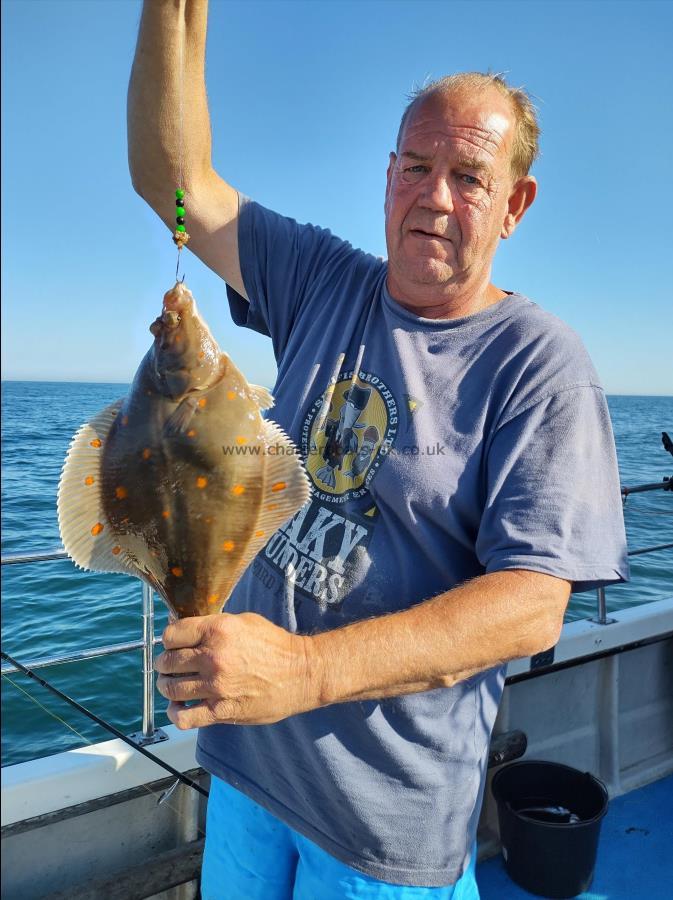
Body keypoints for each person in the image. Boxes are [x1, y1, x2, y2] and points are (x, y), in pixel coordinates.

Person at [128, 2, 628, 897]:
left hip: (381, 829)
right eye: (415, 166)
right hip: (245, 766)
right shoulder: (324, 279)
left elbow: (531, 607)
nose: (434, 196)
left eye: (468, 177)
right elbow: (173, 183)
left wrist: (306, 670)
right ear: (388, 175)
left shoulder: (540, 363)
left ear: (513, 204)